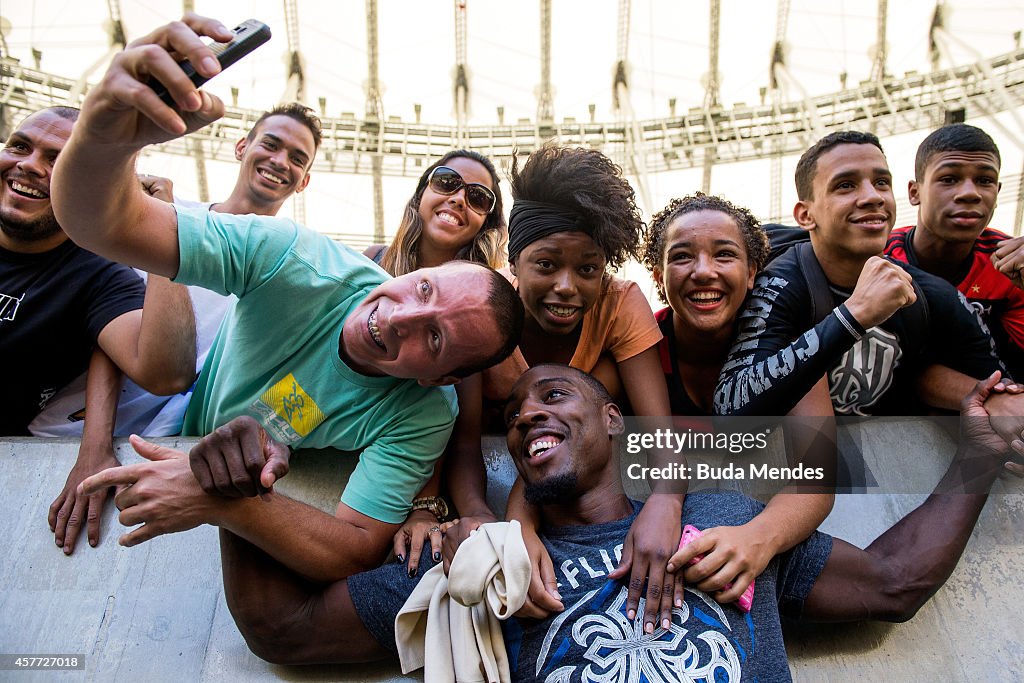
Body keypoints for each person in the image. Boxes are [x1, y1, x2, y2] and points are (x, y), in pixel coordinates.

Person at [57, 15, 523, 579]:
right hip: (168, 428)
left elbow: (353, 545)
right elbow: (107, 224)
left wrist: (226, 500)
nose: (402, 316)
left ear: (442, 378)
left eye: (434, 336)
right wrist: (104, 140)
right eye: (423, 288)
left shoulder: (426, 411)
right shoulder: (295, 259)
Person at [211, 364, 1016, 683]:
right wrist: (235, 483)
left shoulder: (726, 521)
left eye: (553, 395)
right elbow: (285, 629)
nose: (527, 412)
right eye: (514, 410)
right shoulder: (477, 566)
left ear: (616, 418)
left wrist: (977, 453)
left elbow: (892, 580)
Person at [396, 144, 680, 634]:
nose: (567, 286)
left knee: (603, 380)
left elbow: (659, 431)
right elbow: (463, 442)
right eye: (546, 265)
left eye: (587, 269)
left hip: (569, 476)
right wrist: (495, 523)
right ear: (514, 258)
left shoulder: (619, 303)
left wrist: (665, 502)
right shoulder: (482, 306)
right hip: (513, 466)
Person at [31, 101, 323, 438]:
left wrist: (270, 440)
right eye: (270, 145)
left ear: (304, 181)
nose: (279, 161)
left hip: (178, 446)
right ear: (242, 147)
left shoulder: (294, 269)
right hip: (68, 434)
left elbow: (315, 376)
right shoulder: (159, 212)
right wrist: (95, 444)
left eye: (297, 159)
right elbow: (108, 317)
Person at [0, 106, 196, 554]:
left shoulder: (97, 274)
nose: (29, 164)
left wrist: (163, 219)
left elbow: (167, 370)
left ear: (89, 182)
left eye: (56, 158)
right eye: (19, 145)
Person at [714, 130, 1016, 421]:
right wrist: (853, 315)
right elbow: (729, 407)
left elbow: (1004, 392)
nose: (873, 197)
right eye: (846, 185)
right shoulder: (780, 282)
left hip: (896, 463)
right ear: (806, 215)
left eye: (882, 182)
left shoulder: (932, 295)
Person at [641, 191, 835, 605]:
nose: (703, 271)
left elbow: (817, 476)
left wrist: (757, 539)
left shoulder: (790, 351)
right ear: (658, 276)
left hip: (762, 535)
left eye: (725, 255)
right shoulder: (638, 352)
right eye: (681, 257)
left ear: (752, 273)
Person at [885, 123, 1024, 378]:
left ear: (997, 192)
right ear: (915, 192)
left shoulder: (1011, 264)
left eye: (985, 181)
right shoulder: (881, 257)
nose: (970, 193)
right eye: (949, 179)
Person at [363, 150, 506, 275]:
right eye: (446, 182)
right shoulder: (374, 260)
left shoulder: (493, 293)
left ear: (487, 223)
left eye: (478, 197)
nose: (459, 199)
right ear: (421, 194)